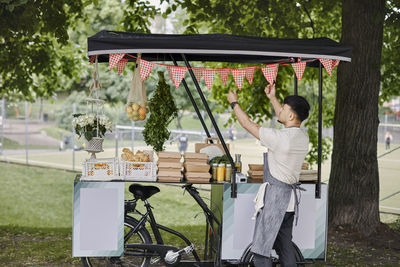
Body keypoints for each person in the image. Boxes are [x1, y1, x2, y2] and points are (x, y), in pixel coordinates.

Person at [227, 83, 310, 267]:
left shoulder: (280, 139)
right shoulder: (303, 137)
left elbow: (248, 124)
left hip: (275, 200)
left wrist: (234, 103)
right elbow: (284, 118)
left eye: (284, 108)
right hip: (290, 202)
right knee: (285, 248)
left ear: (290, 115)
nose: (279, 111)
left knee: (261, 250)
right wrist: (272, 97)